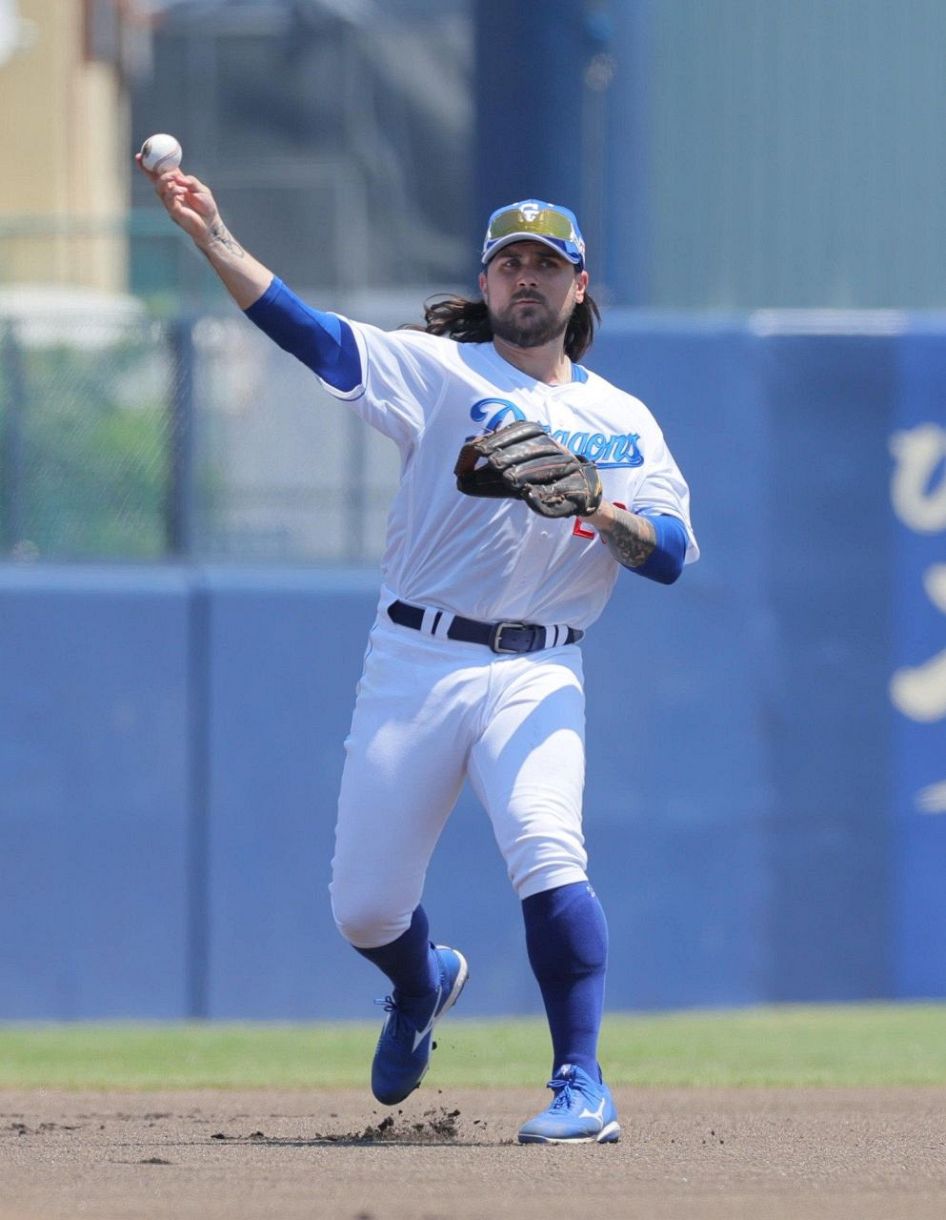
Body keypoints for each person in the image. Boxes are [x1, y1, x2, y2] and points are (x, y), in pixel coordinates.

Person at [138, 154, 699, 1145]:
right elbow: (307, 332)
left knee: (547, 848)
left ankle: (581, 1081)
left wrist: (601, 509)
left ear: (579, 286)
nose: (526, 278)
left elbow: (674, 554)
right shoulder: (440, 370)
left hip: (540, 665)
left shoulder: (623, 421)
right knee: (363, 907)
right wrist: (214, 236)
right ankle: (420, 981)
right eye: (509, 263)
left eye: (546, 264)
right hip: (418, 659)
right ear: (485, 281)